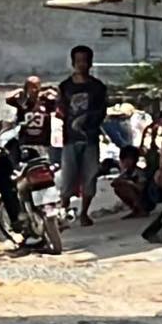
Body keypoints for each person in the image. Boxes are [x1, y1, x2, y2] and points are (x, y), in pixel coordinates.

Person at [55, 45, 109, 227]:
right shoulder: (65, 87)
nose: (81, 64)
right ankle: (63, 213)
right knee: (68, 178)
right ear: (73, 63)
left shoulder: (97, 87)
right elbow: (59, 109)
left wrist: (89, 121)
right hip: (69, 139)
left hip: (91, 139)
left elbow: (102, 111)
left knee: (90, 177)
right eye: (78, 61)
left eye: (85, 61)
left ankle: (84, 213)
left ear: (90, 63)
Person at [4, 75, 56, 152]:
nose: (34, 90)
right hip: (26, 142)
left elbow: (61, 100)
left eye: (36, 86)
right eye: (31, 87)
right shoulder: (22, 101)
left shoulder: (46, 101)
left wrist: (50, 91)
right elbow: (8, 98)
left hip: (43, 143)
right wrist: (19, 90)